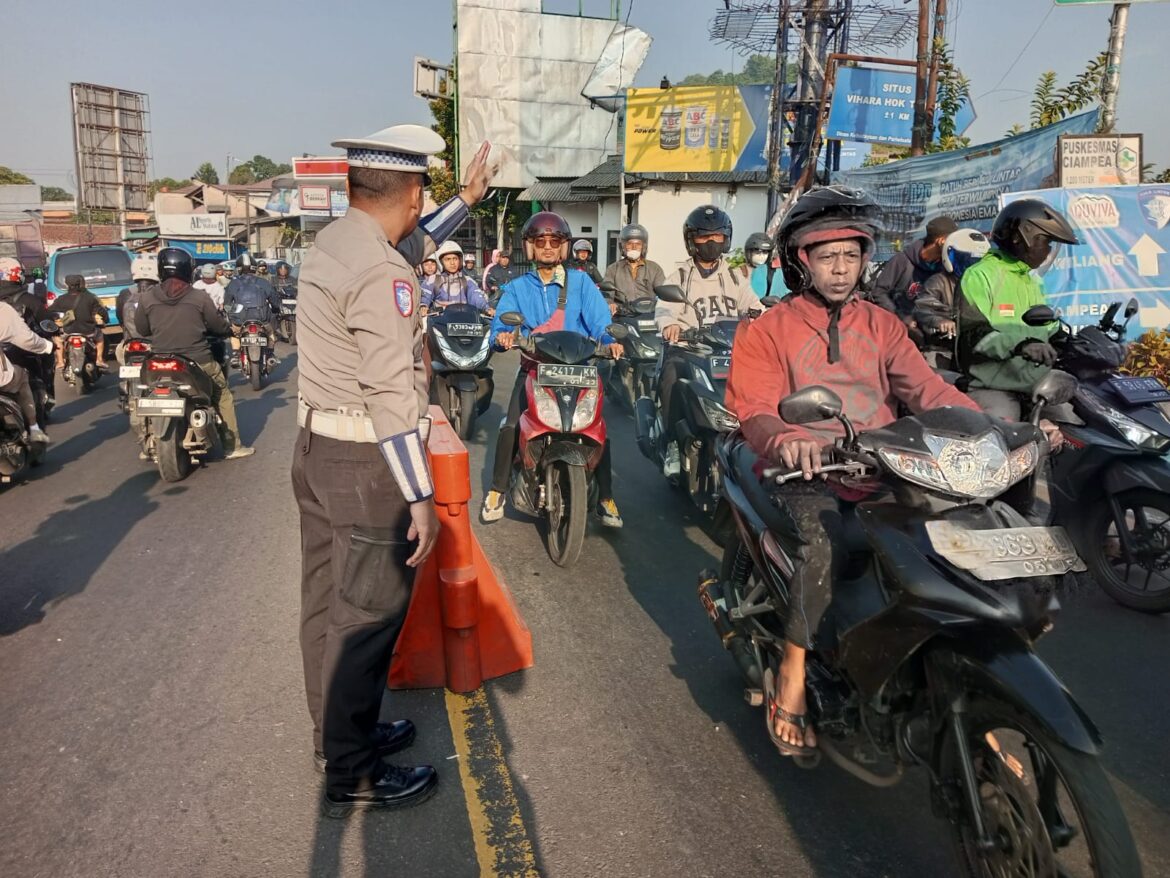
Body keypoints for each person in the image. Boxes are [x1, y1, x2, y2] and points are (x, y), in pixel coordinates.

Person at [725, 186, 984, 757]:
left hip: (883, 464)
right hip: (805, 471)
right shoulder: (769, 329)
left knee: (950, 541)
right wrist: (788, 438)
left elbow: (927, 388)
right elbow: (756, 408)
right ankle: (793, 676)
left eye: (850, 255)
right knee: (821, 547)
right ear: (803, 261)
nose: (840, 269)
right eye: (827, 257)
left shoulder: (883, 325)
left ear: (866, 258)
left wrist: (989, 428)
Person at [293, 122, 497, 818]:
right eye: (425, 194)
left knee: (325, 606)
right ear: (410, 193)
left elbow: (418, 238)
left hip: (317, 450)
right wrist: (418, 497)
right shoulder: (382, 271)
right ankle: (350, 773)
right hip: (364, 460)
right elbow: (388, 393)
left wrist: (466, 199)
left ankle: (338, 737)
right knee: (366, 619)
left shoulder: (338, 240)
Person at [480, 211, 624, 527]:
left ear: (564, 247)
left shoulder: (582, 282)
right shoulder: (517, 288)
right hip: (535, 368)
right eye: (540, 241)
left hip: (579, 370)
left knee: (598, 428)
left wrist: (609, 340)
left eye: (554, 241)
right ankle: (497, 490)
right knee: (510, 425)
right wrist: (503, 337)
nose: (547, 247)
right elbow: (500, 323)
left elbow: (601, 322)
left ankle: (605, 498)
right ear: (530, 247)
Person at [654, 205, 760, 473]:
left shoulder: (735, 276)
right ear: (691, 240)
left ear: (726, 239)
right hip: (690, 349)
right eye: (703, 236)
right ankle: (672, 446)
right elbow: (666, 307)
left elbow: (753, 304)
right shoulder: (679, 275)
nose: (711, 242)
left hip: (729, 349)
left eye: (717, 236)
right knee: (672, 378)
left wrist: (762, 319)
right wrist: (670, 326)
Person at [957, 198, 1080, 422]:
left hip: (1036, 383)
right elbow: (973, 334)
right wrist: (1022, 345)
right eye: (1045, 241)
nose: (1049, 251)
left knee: (1075, 425)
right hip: (994, 386)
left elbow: (1050, 330)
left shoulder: (1032, 281)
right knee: (1002, 435)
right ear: (1020, 237)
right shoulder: (980, 275)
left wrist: (1083, 346)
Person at [133, 248, 252, 459]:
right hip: (198, 360)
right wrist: (226, 329)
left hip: (159, 361)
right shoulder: (200, 297)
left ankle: (146, 441)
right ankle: (232, 446)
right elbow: (217, 326)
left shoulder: (146, 298)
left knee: (143, 393)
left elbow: (142, 330)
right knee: (221, 393)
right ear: (189, 270)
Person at [912, 228, 991, 369]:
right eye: (966, 260)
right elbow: (923, 306)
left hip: (976, 344)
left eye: (977, 261)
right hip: (943, 348)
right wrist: (941, 320)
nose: (971, 267)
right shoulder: (938, 281)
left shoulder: (985, 284)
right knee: (937, 378)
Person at [869, 214, 959, 326]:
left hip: (930, 327)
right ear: (941, 241)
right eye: (953, 240)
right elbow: (879, 292)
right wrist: (901, 317)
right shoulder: (902, 261)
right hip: (900, 327)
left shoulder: (947, 267)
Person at [0, 298, 54, 445]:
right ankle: (34, 428)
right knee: (23, 375)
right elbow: (26, 339)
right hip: (3, 378)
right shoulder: (3, 309)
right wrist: (48, 346)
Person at [224, 252, 282, 356]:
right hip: (262, 319)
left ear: (238, 268)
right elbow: (274, 300)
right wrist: (276, 309)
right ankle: (270, 353)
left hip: (239, 320)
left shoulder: (233, 283)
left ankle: (236, 354)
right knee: (271, 334)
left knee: (234, 334)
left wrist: (229, 316)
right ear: (254, 267)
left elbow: (227, 303)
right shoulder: (264, 282)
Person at [602, 223, 665, 308]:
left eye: (638, 244)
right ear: (623, 246)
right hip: (622, 314)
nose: (634, 247)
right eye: (630, 244)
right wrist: (609, 303)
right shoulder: (613, 269)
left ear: (644, 246)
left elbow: (664, 292)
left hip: (648, 313)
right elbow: (607, 293)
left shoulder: (654, 268)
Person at [51, 274, 107, 371]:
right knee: (100, 338)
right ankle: (99, 359)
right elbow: (101, 311)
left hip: (68, 331)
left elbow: (50, 311)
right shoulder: (90, 298)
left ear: (66, 284)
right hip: (88, 331)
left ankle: (60, 362)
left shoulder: (61, 299)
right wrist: (106, 319)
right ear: (80, 284)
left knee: (57, 340)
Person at [421, 240, 491, 314]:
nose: (452, 263)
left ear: (460, 261)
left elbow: (476, 296)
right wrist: (423, 306)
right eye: (448, 259)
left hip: (464, 319)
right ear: (441, 262)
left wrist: (486, 308)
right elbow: (425, 296)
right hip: (440, 321)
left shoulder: (467, 280)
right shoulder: (433, 280)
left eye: (455, 259)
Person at [115, 255, 158, 364]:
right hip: (159, 342)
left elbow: (120, 318)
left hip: (131, 341)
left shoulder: (125, 294)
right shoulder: (163, 293)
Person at [741, 232, 787, 298]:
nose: (761, 256)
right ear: (749, 252)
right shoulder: (738, 271)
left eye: (765, 252)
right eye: (757, 252)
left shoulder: (770, 271)